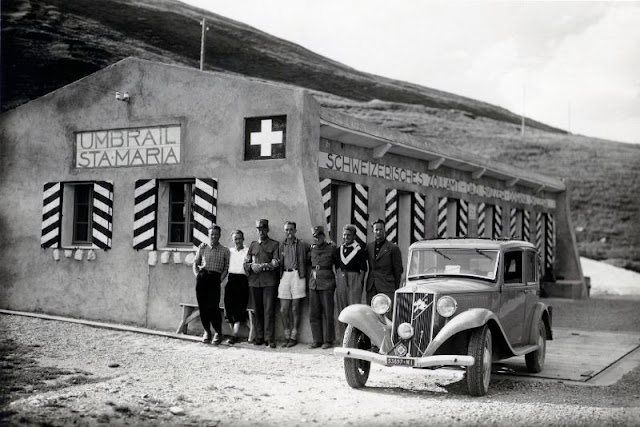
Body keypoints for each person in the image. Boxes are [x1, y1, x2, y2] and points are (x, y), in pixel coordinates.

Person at [243, 219, 280, 348]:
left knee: (269, 310)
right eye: (259, 229)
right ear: (256, 230)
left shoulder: (274, 244)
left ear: (267, 230)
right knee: (257, 310)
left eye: (263, 229)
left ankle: (269, 338)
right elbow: (246, 263)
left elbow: (276, 262)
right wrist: (251, 266)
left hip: (269, 281)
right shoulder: (253, 245)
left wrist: (264, 266)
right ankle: (259, 337)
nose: (261, 231)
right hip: (254, 282)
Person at [192, 224, 230, 345]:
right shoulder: (202, 247)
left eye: (216, 234)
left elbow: (226, 268)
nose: (214, 236)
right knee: (202, 306)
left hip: (215, 278)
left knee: (213, 307)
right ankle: (207, 331)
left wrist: (219, 280)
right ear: (208, 235)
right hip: (202, 277)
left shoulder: (225, 250)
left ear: (220, 235)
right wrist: (198, 275)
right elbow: (195, 263)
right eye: (211, 234)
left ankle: (218, 332)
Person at [278, 221, 310, 348]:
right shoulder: (281, 245)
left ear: (295, 231)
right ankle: (286, 334)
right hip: (284, 275)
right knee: (283, 309)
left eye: (291, 229)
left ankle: (293, 336)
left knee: (295, 308)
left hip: (298, 275)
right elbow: (277, 260)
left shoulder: (302, 244)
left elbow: (313, 249)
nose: (289, 232)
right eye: (286, 230)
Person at [308, 225, 339, 349]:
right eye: (315, 237)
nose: (317, 238)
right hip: (314, 283)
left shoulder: (331, 249)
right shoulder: (312, 249)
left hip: (327, 282)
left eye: (319, 236)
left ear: (324, 236)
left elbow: (338, 264)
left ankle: (328, 340)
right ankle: (317, 340)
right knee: (314, 313)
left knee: (328, 312)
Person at [335, 224, 368, 335]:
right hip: (342, 278)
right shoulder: (339, 249)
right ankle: (344, 336)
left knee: (354, 308)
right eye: (344, 235)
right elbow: (336, 266)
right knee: (342, 307)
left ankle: (355, 336)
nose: (346, 237)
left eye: (349, 235)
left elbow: (363, 269)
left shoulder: (359, 250)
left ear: (354, 236)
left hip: (354, 278)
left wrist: (359, 282)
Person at [366, 218, 403, 309]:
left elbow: (398, 270)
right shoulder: (369, 247)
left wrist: (395, 288)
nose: (378, 232)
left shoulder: (392, 248)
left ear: (384, 230)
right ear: (373, 231)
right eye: (376, 230)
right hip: (372, 287)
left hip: (386, 287)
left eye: (381, 229)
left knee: (386, 313)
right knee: (371, 313)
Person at [224, 230, 249, 345]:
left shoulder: (247, 251)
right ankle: (232, 332)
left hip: (242, 280)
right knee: (228, 306)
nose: (238, 241)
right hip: (231, 279)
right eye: (235, 239)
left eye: (239, 238)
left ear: (243, 239)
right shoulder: (229, 251)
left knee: (239, 307)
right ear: (232, 240)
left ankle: (234, 334)